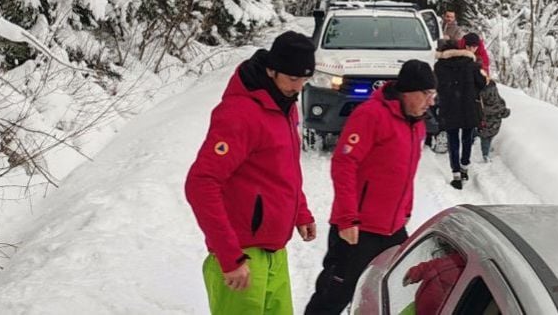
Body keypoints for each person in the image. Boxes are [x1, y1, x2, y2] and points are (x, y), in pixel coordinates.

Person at [185, 31, 318, 315]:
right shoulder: (239, 113)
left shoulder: (285, 107)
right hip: (242, 255)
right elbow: (201, 183)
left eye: (305, 80)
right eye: (293, 79)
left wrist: (300, 212)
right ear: (271, 70)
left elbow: (282, 168)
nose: (298, 88)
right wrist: (229, 256)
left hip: (275, 253)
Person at [305, 59, 437, 315]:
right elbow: (344, 164)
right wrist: (346, 218)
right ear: (408, 91)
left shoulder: (416, 124)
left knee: (392, 291)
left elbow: (404, 173)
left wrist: (406, 210)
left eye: (433, 94)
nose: (431, 101)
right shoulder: (371, 115)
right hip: (358, 228)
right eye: (427, 94)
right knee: (334, 295)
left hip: (393, 228)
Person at [434, 40, 487, 189]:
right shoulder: (471, 64)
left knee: (453, 140)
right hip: (469, 106)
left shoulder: (439, 66)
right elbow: (482, 83)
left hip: (449, 107)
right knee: (467, 138)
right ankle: (464, 166)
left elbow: (435, 86)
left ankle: (456, 174)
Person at [478, 80, 511, 162]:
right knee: (489, 136)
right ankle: (487, 151)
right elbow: (503, 108)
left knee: (484, 137)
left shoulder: (480, 95)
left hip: (484, 121)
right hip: (495, 121)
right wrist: (505, 111)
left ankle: (485, 153)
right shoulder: (497, 98)